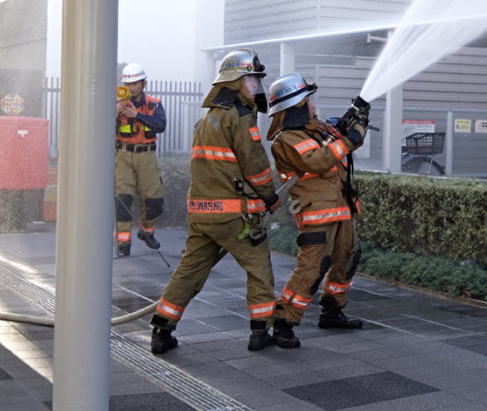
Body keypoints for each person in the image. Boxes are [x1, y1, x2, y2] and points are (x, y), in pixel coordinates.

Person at [148, 50, 280, 355]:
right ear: (234, 82)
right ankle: (261, 332)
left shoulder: (205, 119)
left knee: (190, 270)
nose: (257, 86)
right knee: (259, 266)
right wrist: (269, 196)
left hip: (202, 213)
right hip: (235, 216)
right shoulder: (240, 117)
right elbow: (255, 164)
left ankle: (162, 329)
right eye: (251, 79)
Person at [265, 73, 370, 349]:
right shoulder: (286, 140)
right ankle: (284, 322)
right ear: (296, 105)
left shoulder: (317, 128)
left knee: (347, 257)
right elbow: (321, 160)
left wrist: (358, 123)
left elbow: (341, 143)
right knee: (312, 268)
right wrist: (348, 139)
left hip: (341, 207)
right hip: (317, 214)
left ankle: (332, 311)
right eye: (308, 100)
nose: (312, 105)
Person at [114, 62, 166, 256]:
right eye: (128, 84)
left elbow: (161, 125)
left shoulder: (154, 103)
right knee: (123, 199)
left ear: (144, 83)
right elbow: (102, 127)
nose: (131, 87)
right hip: (123, 154)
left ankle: (146, 231)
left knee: (154, 199)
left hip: (146, 154)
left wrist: (137, 116)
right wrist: (115, 113)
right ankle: (123, 244)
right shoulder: (117, 104)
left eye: (135, 83)